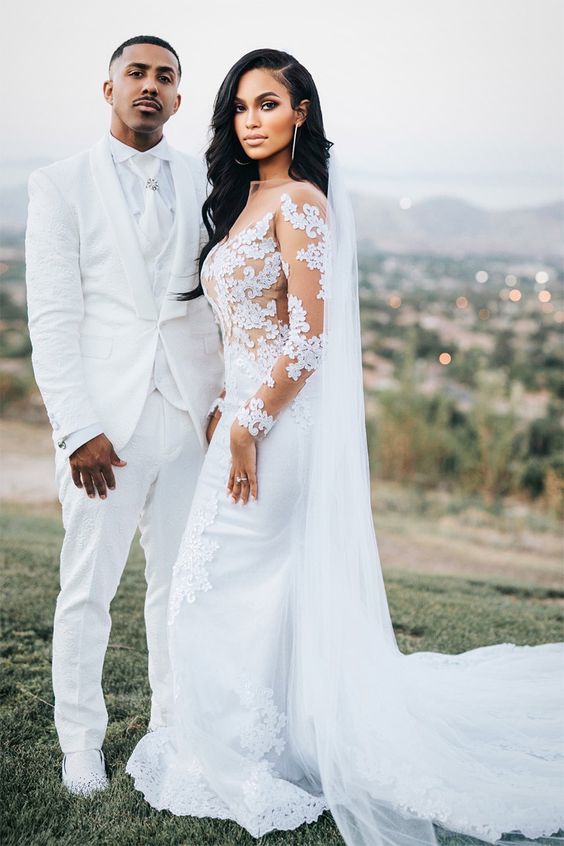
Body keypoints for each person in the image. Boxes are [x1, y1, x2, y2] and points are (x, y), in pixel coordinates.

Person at [126, 49, 563, 846]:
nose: (251, 120)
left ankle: (250, 751)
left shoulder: (301, 205)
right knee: (238, 590)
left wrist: (251, 426)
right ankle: (266, 738)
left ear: (300, 113)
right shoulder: (241, 201)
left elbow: (309, 340)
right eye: (241, 108)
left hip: (279, 430)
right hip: (244, 417)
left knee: (216, 585)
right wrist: (228, 401)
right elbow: (245, 331)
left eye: (268, 104)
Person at [25, 35, 223, 796]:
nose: (149, 85)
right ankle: (81, 740)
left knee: (180, 586)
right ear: (106, 87)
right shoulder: (59, 183)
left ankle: (175, 728)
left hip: (188, 416)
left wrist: (218, 404)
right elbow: (53, 315)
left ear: (178, 97)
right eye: (135, 73)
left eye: (164, 77)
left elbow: (211, 307)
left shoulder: (208, 179)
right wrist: (76, 428)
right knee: (88, 590)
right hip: (104, 426)